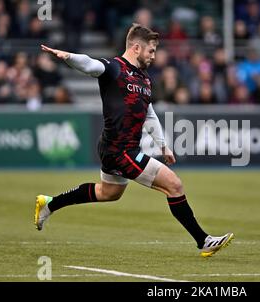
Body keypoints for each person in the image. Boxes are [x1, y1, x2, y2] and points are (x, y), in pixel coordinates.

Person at [35, 24, 233, 257]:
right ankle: (203, 241)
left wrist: (163, 145)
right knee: (174, 185)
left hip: (119, 148)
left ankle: (49, 204)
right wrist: (68, 56)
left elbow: (148, 113)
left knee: (109, 193)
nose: (154, 55)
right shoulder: (114, 68)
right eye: (151, 50)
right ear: (136, 47)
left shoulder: (144, 79)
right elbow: (90, 64)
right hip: (119, 150)